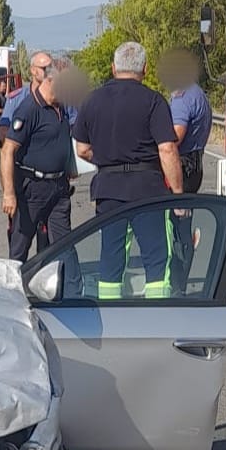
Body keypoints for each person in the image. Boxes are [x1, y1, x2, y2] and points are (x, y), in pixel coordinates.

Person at [72, 41, 184, 299]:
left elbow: (81, 149)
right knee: (156, 257)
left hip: (108, 189)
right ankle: (158, 317)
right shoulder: (153, 101)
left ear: (113, 68)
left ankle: (111, 316)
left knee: (110, 258)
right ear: (144, 69)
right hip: (148, 189)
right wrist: (178, 194)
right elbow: (167, 150)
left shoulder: (92, 100)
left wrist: (106, 160)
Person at [0, 57, 76, 262]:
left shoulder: (62, 107)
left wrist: (70, 164)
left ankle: (66, 291)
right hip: (32, 188)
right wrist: (8, 193)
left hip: (59, 187)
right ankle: (13, 291)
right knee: (20, 249)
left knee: (64, 247)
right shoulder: (29, 109)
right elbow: (7, 151)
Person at [160, 48, 213, 292]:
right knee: (183, 222)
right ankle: (182, 275)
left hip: (181, 166)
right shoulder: (198, 94)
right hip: (195, 164)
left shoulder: (182, 97)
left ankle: (177, 283)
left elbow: (175, 136)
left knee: (175, 226)